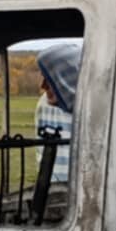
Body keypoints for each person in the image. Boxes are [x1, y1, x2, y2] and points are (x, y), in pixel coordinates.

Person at [34, 42, 80, 185]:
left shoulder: (101, 110)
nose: (43, 86)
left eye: (50, 79)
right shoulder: (44, 105)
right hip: (52, 193)